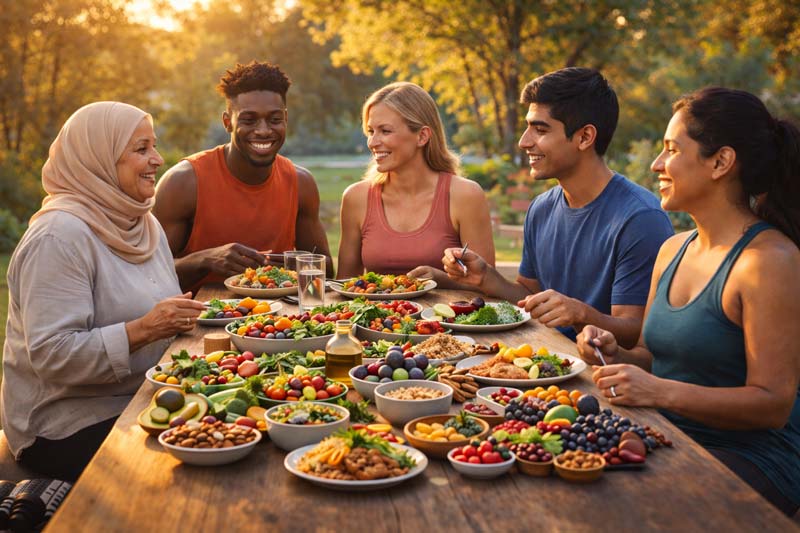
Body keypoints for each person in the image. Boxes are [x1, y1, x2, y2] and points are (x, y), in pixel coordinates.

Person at [575, 87, 800, 516]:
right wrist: (614, 352)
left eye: (671, 149)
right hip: (668, 435)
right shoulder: (673, 249)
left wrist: (659, 391)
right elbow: (654, 357)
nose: (656, 164)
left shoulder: (769, 262)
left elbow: (772, 403)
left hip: (753, 456)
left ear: (721, 162)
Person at [0, 102, 206, 481]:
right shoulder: (58, 237)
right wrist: (144, 328)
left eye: (154, 146)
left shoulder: (142, 222)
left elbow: (163, 310)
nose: (158, 159)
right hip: (65, 420)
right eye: (141, 149)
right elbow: (52, 354)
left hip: (140, 393)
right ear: (98, 157)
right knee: (187, 464)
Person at [442, 67, 673, 347]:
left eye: (540, 129)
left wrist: (580, 314)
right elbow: (529, 295)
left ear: (585, 137)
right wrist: (486, 278)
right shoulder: (541, 208)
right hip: (544, 361)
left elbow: (636, 333)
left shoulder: (640, 219)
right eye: (527, 127)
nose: (524, 142)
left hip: (601, 378)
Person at [153, 61, 333, 294]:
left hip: (278, 325)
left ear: (286, 119)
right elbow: (148, 276)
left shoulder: (301, 183)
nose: (263, 130)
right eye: (249, 120)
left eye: (275, 119)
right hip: (198, 323)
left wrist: (292, 266)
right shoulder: (183, 182)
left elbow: (326, 271)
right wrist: (205, 259)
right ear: (228, 122)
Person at [337, 81, 495, 280]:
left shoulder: (465, 196)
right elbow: (344, 284)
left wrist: (440, 279)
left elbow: (488, 285)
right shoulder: (356, 198)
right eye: (371, 131)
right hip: (378, 312)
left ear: (422, 136)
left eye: (385, 131)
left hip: (446, 312)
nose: (373, 142)